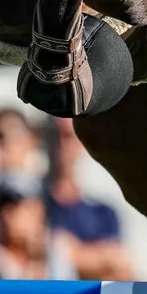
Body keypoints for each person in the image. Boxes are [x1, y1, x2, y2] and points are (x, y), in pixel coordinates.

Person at [45, 119, 133, 279]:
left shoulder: (103, 211)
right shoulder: (29, 202)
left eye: (68, 136)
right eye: (53, 135)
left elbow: (119, 264)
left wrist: (67, 252)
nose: (61, 145)